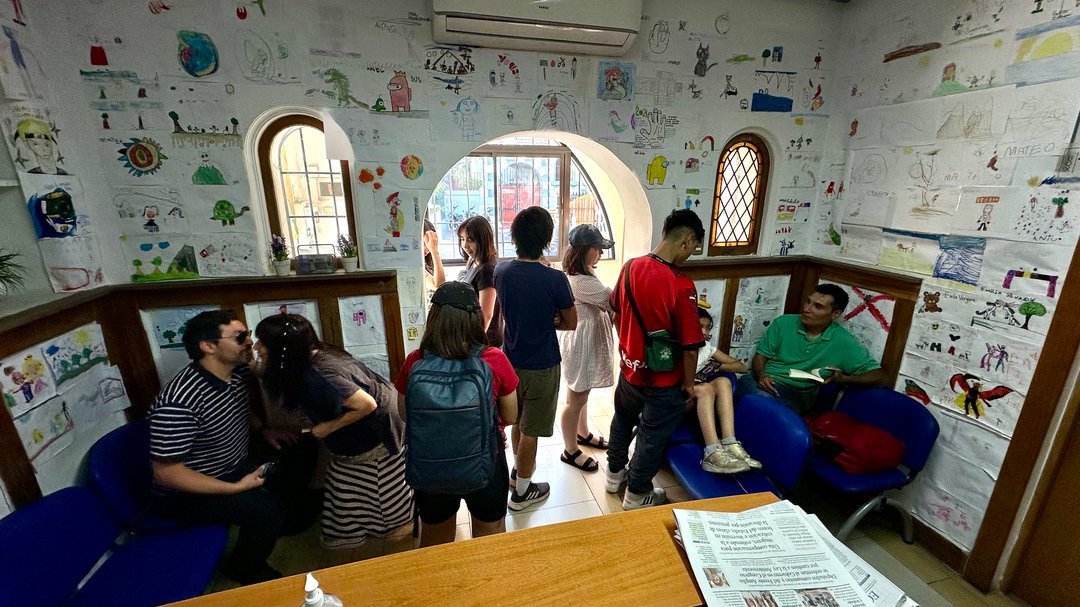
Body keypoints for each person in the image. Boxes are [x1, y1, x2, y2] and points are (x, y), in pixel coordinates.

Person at [148, 310, 316, 584]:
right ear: (208, 346)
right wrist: (235, 488)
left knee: (301, 446)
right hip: (189, 491)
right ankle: (243, 567)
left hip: (235, 462)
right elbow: (166, 474)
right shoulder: (179, 402)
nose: (250, 342)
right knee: (266, 510)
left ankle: (283, 521)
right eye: (239, 337)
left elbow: (237, 408)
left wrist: (264, 430)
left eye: (247, 334)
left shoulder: (237, 372)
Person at [253, 313, 413, 550]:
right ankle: (355, 532)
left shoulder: (319, 373)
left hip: (379, 429)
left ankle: (394, 528)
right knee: (344, 481)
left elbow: (366, 404)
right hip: (382, 421)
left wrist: (327, 427)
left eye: (262, 342)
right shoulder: (312, 356)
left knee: (375, 482)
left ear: (281, 348)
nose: (256, 346)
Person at [395, 281, 519, 546]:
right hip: (485, 462)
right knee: (489, 542)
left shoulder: (415, 360)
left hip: (431, 466)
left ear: (434, 319)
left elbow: (405, 414)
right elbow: (510, 415)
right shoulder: (494, 359)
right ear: (475, 318)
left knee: (436, 543)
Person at [606, 209, 706, 510]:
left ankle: (613, 475)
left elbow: (616, 313)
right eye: (694, 248)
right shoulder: (680, 284)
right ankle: (637, 494)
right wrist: (689, 385)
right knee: (652, 435)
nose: (689, 255)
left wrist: (629, 349)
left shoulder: (630, 267)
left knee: (622, 419)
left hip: (630, 370)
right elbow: (690, 346)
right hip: (664, 380)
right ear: (688, 240)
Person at [494, 206, 576, 511]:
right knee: (532, 430)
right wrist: (551, 319)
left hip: (510, 362)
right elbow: (571, 322)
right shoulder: (555, 279)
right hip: (543, 363)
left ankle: (519, 474)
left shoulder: (501, 271)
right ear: (546, 238)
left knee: (517, 421)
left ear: (515, 236)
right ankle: (522, 494)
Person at [735, 283, 888, 414]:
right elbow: (760, 356)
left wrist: (845, 379)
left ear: (835, 314)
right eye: (808, 302)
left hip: (796, 393)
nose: (807, 309)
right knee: (752, 396)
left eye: (818, 306)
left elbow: (880, 376)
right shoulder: (783, 323)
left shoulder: (843, 341)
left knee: (763, 404)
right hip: (761, 381)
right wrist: (762, 375)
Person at [557, 224, 616, 472]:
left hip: (583, 341)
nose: (600, 253)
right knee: (576, 398)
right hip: (581, 344)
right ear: (583, 251)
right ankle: (570, 450)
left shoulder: (583, 275)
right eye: (597, 248)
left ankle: (582, 433)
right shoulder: (580, 281)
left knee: (581, 393)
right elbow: (612, 301)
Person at [693, 306, 760, 475]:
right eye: (700, 326)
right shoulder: (677, 346)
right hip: (680, 393)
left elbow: (742, 367)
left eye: (708, 327)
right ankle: (711, 451)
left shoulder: (706, 348)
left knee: (723, 381)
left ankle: (729, 442)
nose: (705, 332)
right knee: (706, 389)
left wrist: (717, 366)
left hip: (699, 393)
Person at [457, 216, 502, 347]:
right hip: (472, 333)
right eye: (462, 239)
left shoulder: (487, 269)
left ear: (483, 240)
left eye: (470, 240)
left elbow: (486, 315)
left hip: (485, 341)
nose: (465, 245)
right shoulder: (473, 260)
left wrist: (473, 345)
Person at [422, 219, 445, 303]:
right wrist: (434, 250)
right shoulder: (415, 264)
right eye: (424, 243)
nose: (427, 247)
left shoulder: (426, 263)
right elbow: (438, 285)